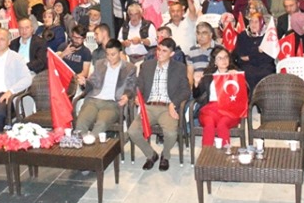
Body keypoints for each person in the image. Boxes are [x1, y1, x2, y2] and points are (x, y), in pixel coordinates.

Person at [126, 38, 191, 172]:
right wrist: (138, 97)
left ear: (172, 54)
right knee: (132, 131)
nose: (159, 53)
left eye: (164, 51)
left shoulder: (179, 68)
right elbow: (139, 85)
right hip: (148, 107)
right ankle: (151, 155)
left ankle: (165, 156)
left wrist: (174, 104)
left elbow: (185, 90)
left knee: (171, 134)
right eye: (158, 49)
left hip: (167, 107)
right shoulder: (147, 65)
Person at [74, 38, 136, 135]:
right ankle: (81, 146)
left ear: (120, 53)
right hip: (93, 100)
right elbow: (92, 82)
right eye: (107, 54)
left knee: (101, 124)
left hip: (112, 103)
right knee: (81, 122)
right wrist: (85, 83)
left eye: (113, 54)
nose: (110, 57)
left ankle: (91, 143)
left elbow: (131, 87)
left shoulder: (129, 68)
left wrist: (126, 96)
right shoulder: (100, 64)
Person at [193, 47, 242, 147]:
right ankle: (206, 156)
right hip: (210, 109)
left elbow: (245, 96)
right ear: (214, 61)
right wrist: (196, 84)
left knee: (222, 125)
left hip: (230, 110)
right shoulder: (208, 75)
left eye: (226, 57)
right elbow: (197, 97)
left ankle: (225, 154)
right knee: (209, 125)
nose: (224, 60)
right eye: (220, 58)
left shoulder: (236, 72)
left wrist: (237, 79)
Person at [233, 12, 276, 91]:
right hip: (247, 66)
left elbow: (269, 56)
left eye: (256, 22)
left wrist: (250, 57)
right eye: (251, 21)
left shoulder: (268, 36)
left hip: (265, 66)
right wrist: (258, 51)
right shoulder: (243, 35)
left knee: (266, 73)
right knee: (249, 74)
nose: (253, 24)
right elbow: (241, 56)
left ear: (262, 23)